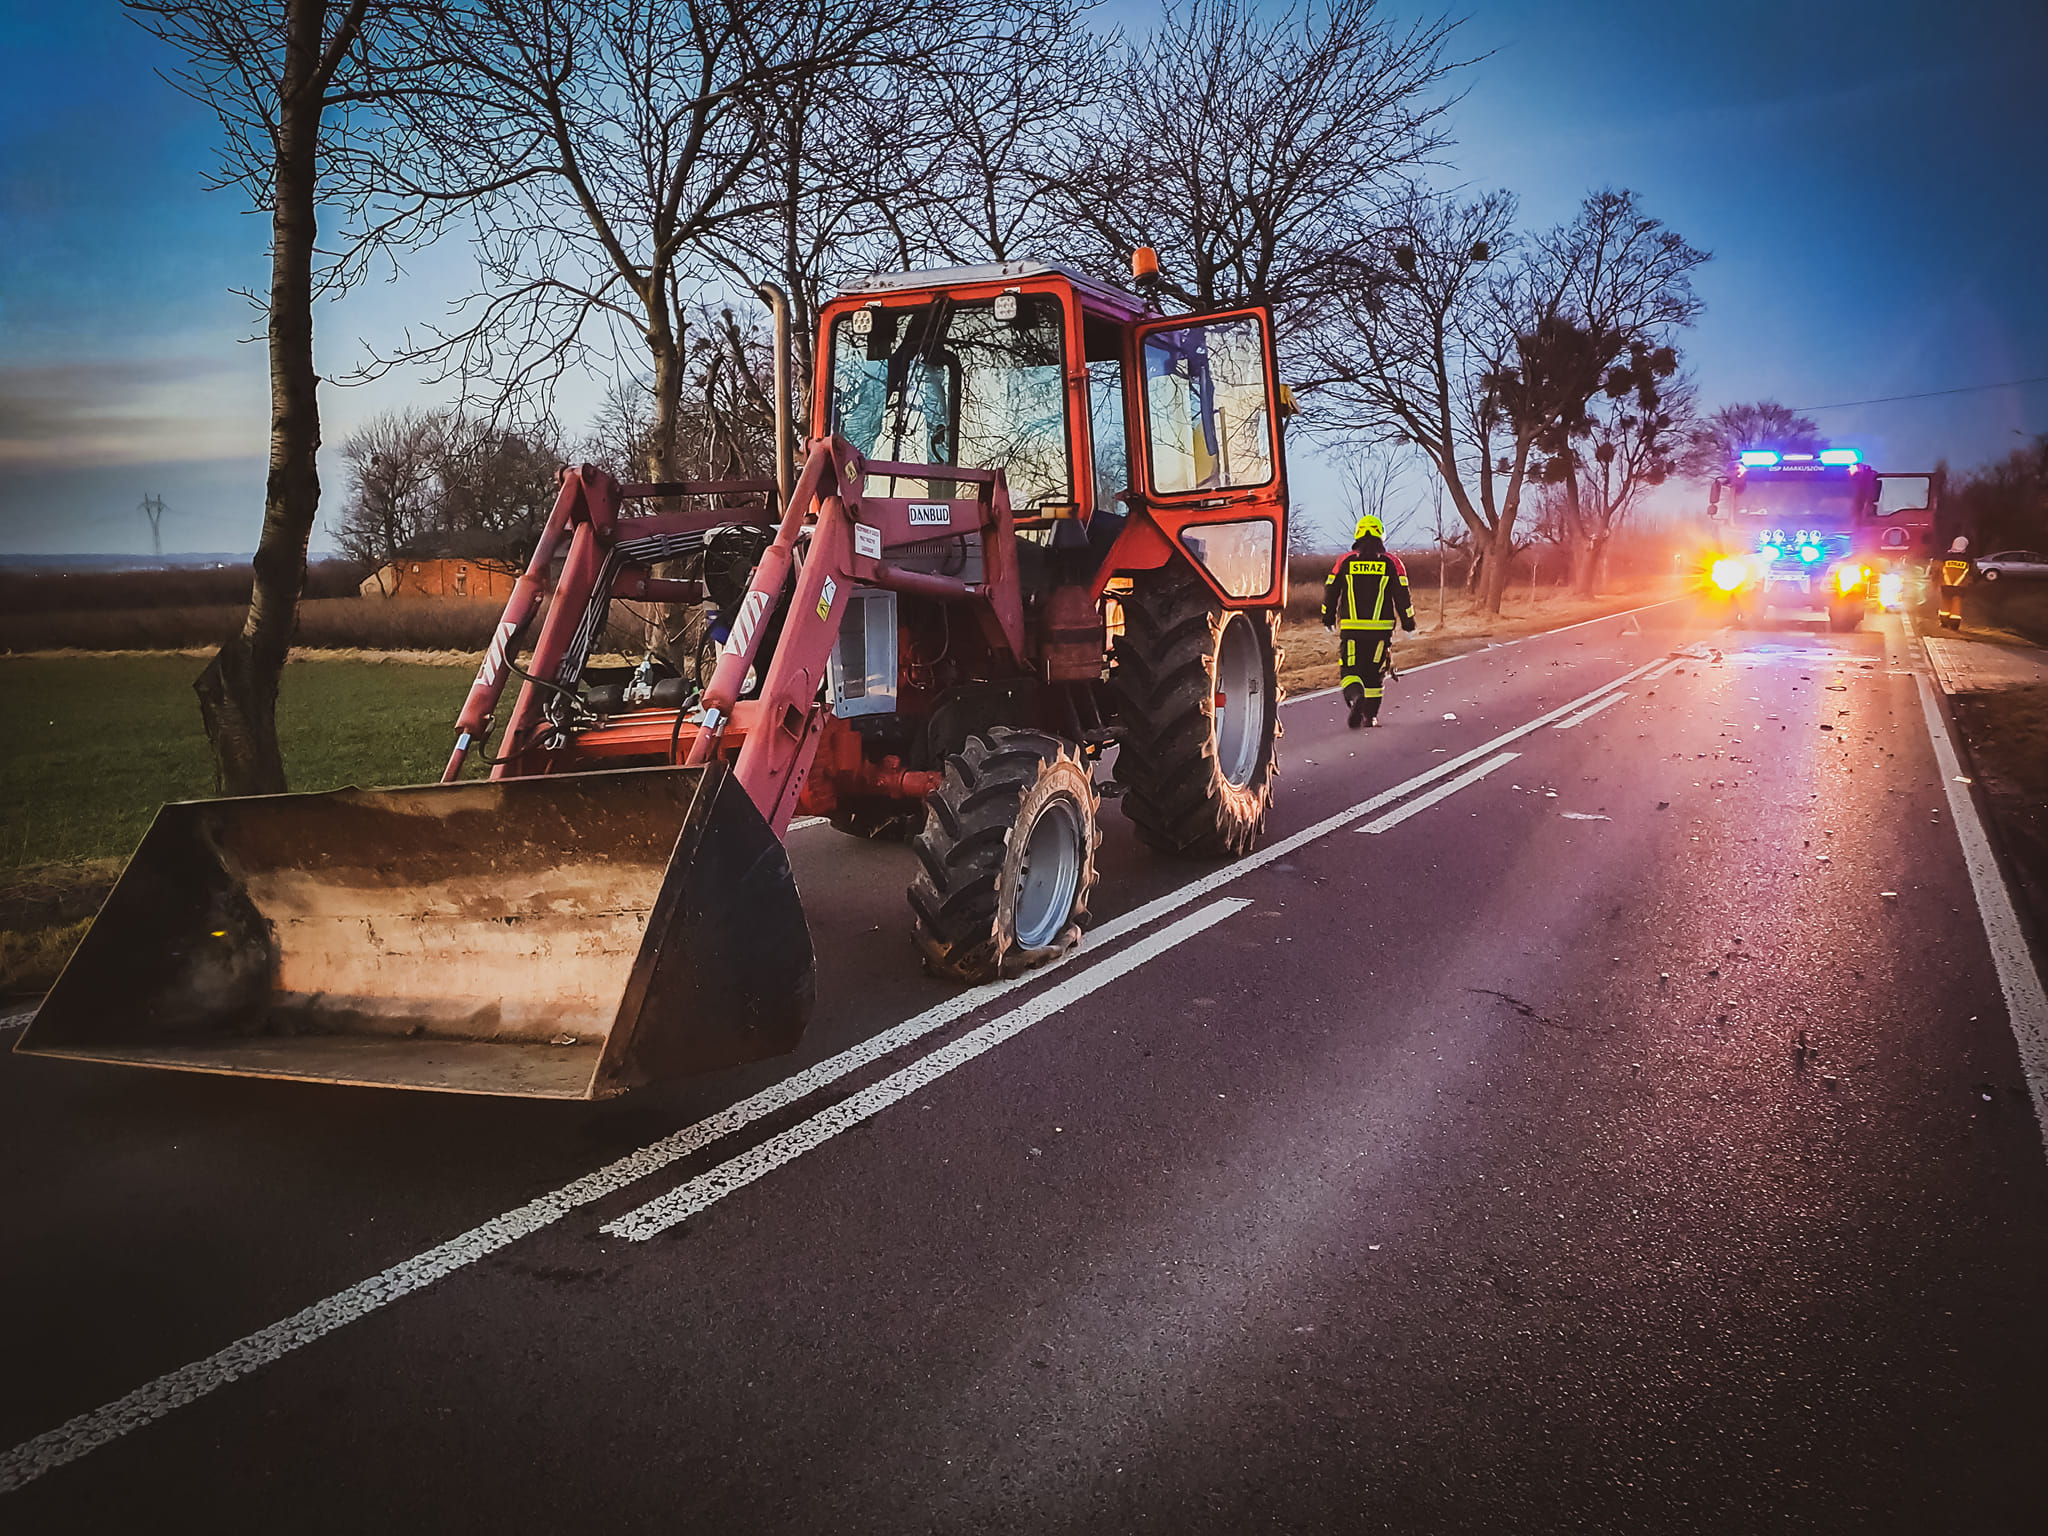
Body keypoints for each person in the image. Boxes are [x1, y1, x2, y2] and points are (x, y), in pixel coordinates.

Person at [1322, 513, 1416, 729]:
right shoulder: (1392, 563)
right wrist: (1408, 622)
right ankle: (1370, 717)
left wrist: (1327, 617)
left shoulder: (1345, 561)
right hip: (1380, 631)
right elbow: (1403, 595)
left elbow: (1331, 590)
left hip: (1352, 629)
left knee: (1350, 670)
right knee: (1374, 675)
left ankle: (1356, 698)